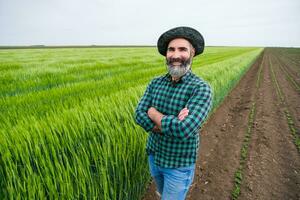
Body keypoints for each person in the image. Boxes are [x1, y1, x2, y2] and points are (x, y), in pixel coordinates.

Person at [135, 26, 212, 200]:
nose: (176, 55)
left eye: (182, 49)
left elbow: (184, 130)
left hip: (179, 165)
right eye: (171, 49)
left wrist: (153, 113)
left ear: (192, 52)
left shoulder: (200, 88)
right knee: (162, 193)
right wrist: (173, 122)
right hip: (154, 156)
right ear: (166, 54)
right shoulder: (155, 83)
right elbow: (139, 114)